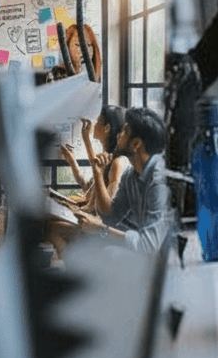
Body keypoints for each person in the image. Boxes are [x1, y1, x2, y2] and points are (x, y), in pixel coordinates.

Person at [72, 106, 172, 255]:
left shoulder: (159, 181)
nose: (119, 134)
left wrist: (101, 229)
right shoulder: (131, 175)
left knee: (109, 253)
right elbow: (110, 216)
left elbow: (149, 244)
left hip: (161, 259)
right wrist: (98, 174)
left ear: (136, 144)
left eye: (125, 131)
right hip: (143, 247)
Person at [59, 105, 129, 213]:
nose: (94, 124)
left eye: (98, 121)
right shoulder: (106, 158)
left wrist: (75, 210)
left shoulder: (117, 163)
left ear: (107, 128)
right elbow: (87, 188)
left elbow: (105, 211)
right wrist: (71, 160)